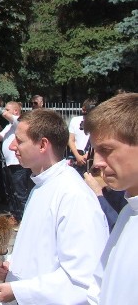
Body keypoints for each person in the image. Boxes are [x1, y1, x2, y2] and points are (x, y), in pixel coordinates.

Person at [0, 109, 108, 304]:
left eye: (20, 140)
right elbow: (40, 251)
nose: (11, 146)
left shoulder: (73, 195)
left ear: (43, 144)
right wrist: (10, 266)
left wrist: (20, 291)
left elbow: (83, 281)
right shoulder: (41, 186)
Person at [85, 92, 138, 304]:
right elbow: (99, 286)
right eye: (95, 151)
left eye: (106, 150)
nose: (97, 162)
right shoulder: (128, 211)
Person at [0, 101, 31, 225]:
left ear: (15, 111)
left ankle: (25, 218)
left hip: (17, 164)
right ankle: (15, 215)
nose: (5, 111)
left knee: (20, 192)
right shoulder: (9, 126)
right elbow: (0, 138)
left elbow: (6, 115)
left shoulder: (18, 121)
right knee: (9, 191)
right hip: (6, 163)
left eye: (8, 109)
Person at [67, 98, 95, 175]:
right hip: (75, 156)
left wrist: (86, 156)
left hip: (89, 157)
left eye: (86, 109)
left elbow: (97, 142)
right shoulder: (75, 120)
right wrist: (78, 156)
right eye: (83, 108)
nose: (84, 111)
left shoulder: (96, 123)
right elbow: (70, 139)